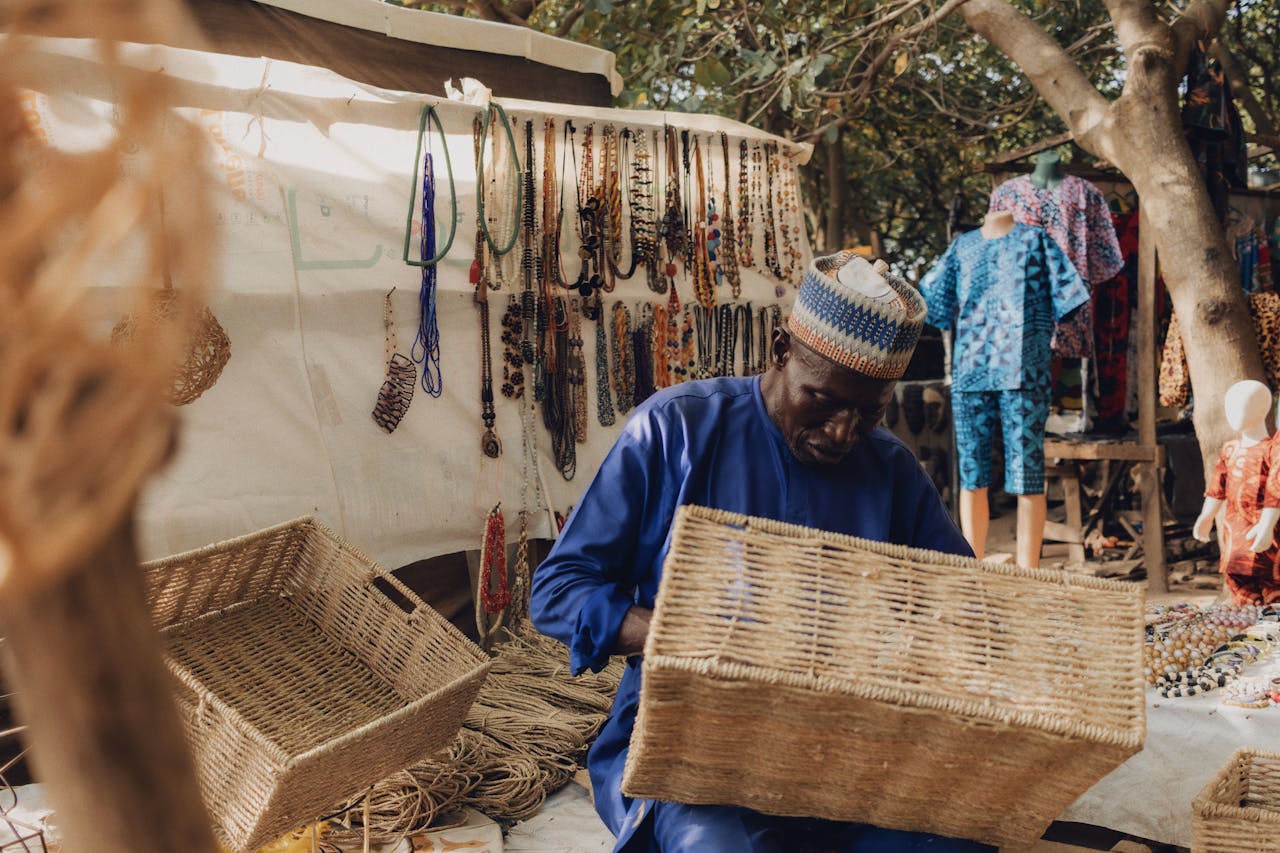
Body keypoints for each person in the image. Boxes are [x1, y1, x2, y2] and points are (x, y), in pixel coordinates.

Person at [531, 251, 993, 852]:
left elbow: (964, 604)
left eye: (869, 412)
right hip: (692, 746)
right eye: (824, 401)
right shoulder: (678, 430)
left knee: (954, 839)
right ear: (781, 351)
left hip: (852, 750)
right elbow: (560, 590)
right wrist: (680, 635)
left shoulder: (892, 470)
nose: (842, 433)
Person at [1193, 378, 1280, 604]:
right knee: (1239, 585)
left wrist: (1268, 524)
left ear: (1262, 409)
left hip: (1267, 532)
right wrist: (1207, 515)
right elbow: (1217, 488)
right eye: (1229, 406)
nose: (1231, 412)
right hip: (1235, 532)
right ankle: (1246, 632)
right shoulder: (1229, 450)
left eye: (1239, 406)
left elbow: (1276, 489)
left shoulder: (1273, 449)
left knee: (1272, 585)